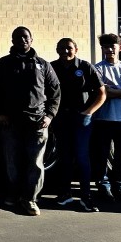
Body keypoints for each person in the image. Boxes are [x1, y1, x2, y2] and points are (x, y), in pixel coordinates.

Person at [0, 26, 60, 216]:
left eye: (26, 37)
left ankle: (30, 199)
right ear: (12, 41)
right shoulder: (3, 64)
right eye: (18, 37)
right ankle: (13, 194)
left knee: (35, 163)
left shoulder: (43, 65)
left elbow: (55, 92)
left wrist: (49, 115)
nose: (22, 40)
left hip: (37, 123)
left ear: (31, 39)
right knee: (12, 162)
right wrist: (1, 113)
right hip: (10, 123)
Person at [48, 38, 105, 212]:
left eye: (69, 48)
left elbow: (102, 93)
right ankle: (65, 194)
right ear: (57, 49)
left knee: (81, 156)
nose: (65, 51)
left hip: (81, 119)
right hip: (60, 119)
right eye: (61, 48)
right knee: (64, 157)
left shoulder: (86, 67)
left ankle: (86, 197)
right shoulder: (51, 67)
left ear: (76, 49)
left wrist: (88, 112)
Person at [89, 34, 121, 205]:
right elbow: (101, 93)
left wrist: (113, 91)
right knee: (101, 155)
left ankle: (119, 186)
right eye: (105, 47)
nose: (109, 49)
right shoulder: (97, 68)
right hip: (102, 119)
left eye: (112, 46)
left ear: (120, 48)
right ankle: (103, 186)